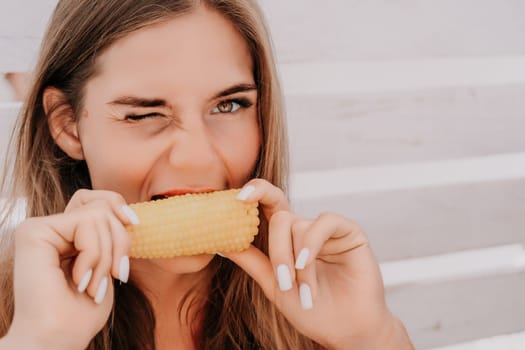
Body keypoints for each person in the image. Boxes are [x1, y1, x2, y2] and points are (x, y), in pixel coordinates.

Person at [0, 1, 414, 349]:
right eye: (145, 114)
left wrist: (372, 336)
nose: (197, 160)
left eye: (229, 106)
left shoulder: (323, 308)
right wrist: (41, 341)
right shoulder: (21, 328)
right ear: (68, 125)